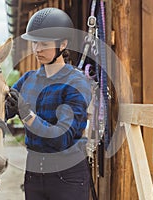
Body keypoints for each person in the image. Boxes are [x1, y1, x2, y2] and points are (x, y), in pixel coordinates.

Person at [6, 7, 92, 200]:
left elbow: (62, 138)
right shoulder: (27, 80)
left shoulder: (76, 83)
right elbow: (3, 109)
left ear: (63, 44)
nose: (37, 50)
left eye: (44, 44)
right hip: (34, 174)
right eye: (35, 43)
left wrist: (27, 115)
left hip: (67, 176)